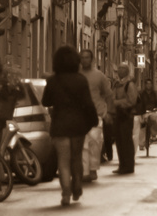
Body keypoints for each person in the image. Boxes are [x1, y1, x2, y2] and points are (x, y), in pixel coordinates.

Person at [42, 45, 99, 207]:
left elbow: (45, 101)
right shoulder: (81, 80)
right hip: (78, 126)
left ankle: (66, 192)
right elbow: (88, 104)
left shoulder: (53, 80)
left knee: (63, 160)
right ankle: (77, 186)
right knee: (76, 158)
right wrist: (93, 120)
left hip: (60, 125)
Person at [79, 48, 113, 182]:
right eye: (82, 57)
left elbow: (108, 94)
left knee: (95, 142)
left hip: (97, 113)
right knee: (83, 144)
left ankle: (93, 168)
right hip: (81, 114)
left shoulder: (99, 76)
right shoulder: (77, 75)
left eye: (87, 57)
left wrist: (108, 112)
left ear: (91, 59)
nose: (84, 60)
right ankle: (85, 171)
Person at [112, 62, 138, 174]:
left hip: (126, 115)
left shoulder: (129, 85)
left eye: (123, 69)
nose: (120, 70)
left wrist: (116, 103)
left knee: (126, 140)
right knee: (119, 141)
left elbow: (132, 101)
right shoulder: (116, 83)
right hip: (117, 114)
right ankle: (122, 164)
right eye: (119, 68)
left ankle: (128, 165)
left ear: (127, 71)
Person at [136, 78, 157, 149]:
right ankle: (141, 144)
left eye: (150, 84)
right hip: (143, 112)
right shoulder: (141, 93)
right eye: (147, 83)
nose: (148, 85)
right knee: (142, 126)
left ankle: (153, 135)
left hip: (152, 111)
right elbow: (138, 103)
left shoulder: (155, 93)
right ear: (145, 84)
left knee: (156, 121)